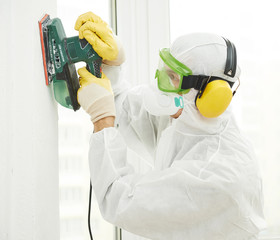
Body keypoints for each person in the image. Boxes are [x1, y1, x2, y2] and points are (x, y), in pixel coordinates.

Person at [75, 12, 266, 240]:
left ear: (211, 96)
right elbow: (124, 110)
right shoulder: (186, 122)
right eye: (164, 69)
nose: (161, 85)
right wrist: (112, 65)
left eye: (173, 77)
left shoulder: (219, 176)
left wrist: (101, 118)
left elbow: (119, 200)